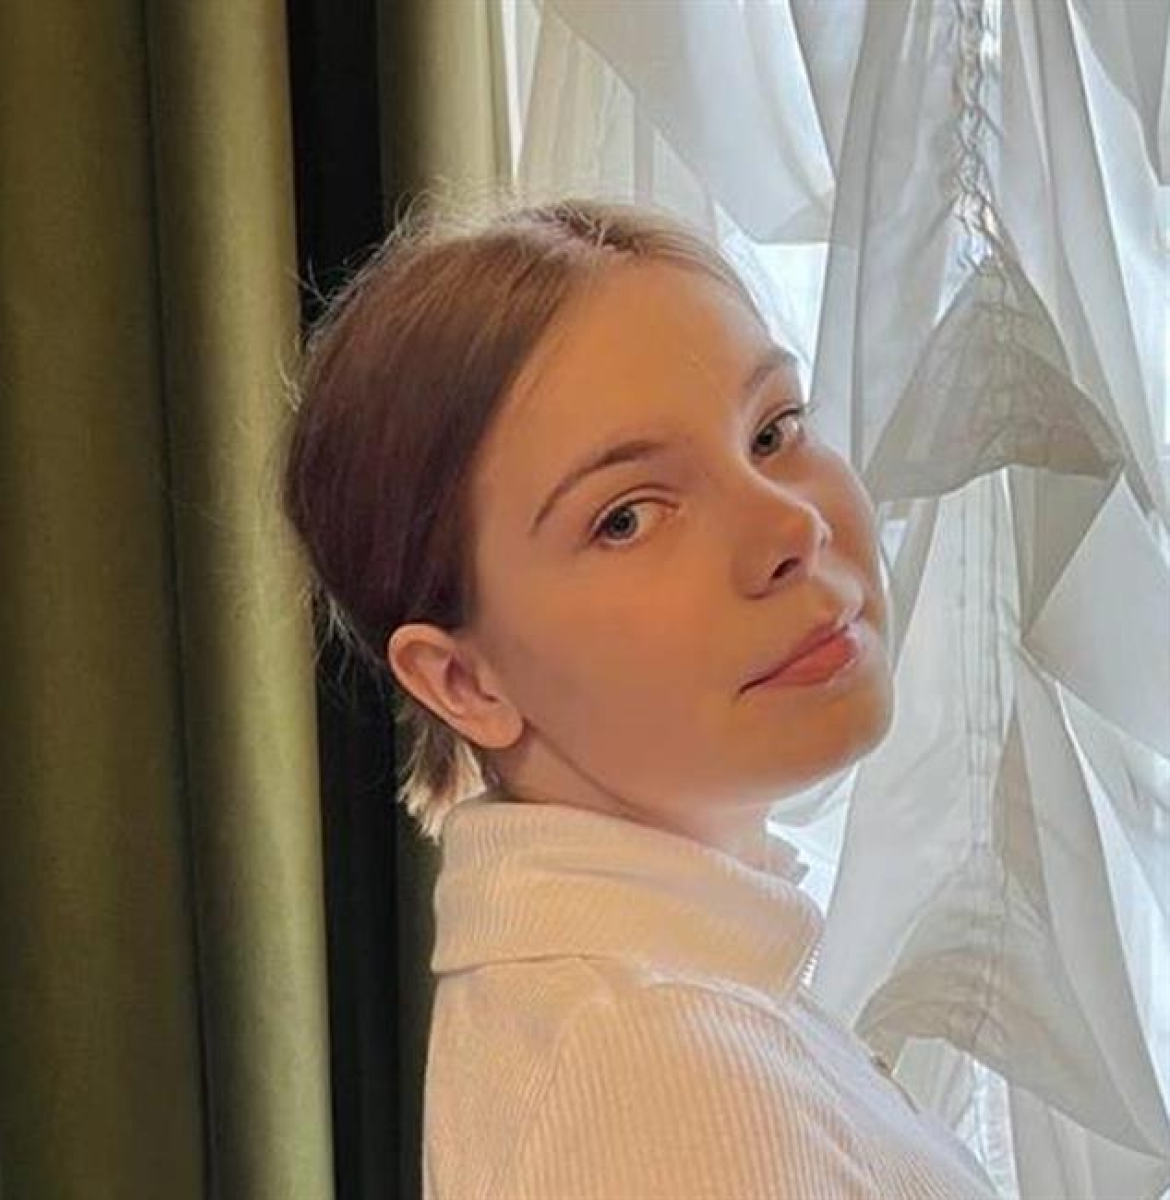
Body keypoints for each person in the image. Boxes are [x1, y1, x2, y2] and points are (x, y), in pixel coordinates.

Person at [280, 192, 1002, 1199]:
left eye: (772, 431)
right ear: (465, 681)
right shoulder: (663, 1078)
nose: (789, 527)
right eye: (625, 518)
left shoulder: (669, 997)